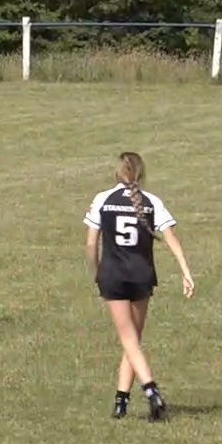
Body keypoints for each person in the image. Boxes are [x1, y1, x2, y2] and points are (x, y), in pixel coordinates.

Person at [85, 152, 195, 422]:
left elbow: (91, 244)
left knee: (129, 340)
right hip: (142, 276)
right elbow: (171, 239)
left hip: (113, 275)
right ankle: (121, 401)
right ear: (141, 173)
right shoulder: (152, 201)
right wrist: (186, 272)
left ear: (117, 173)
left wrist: (95, 271)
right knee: (133, 340)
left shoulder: (103, 199)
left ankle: (151, 391)